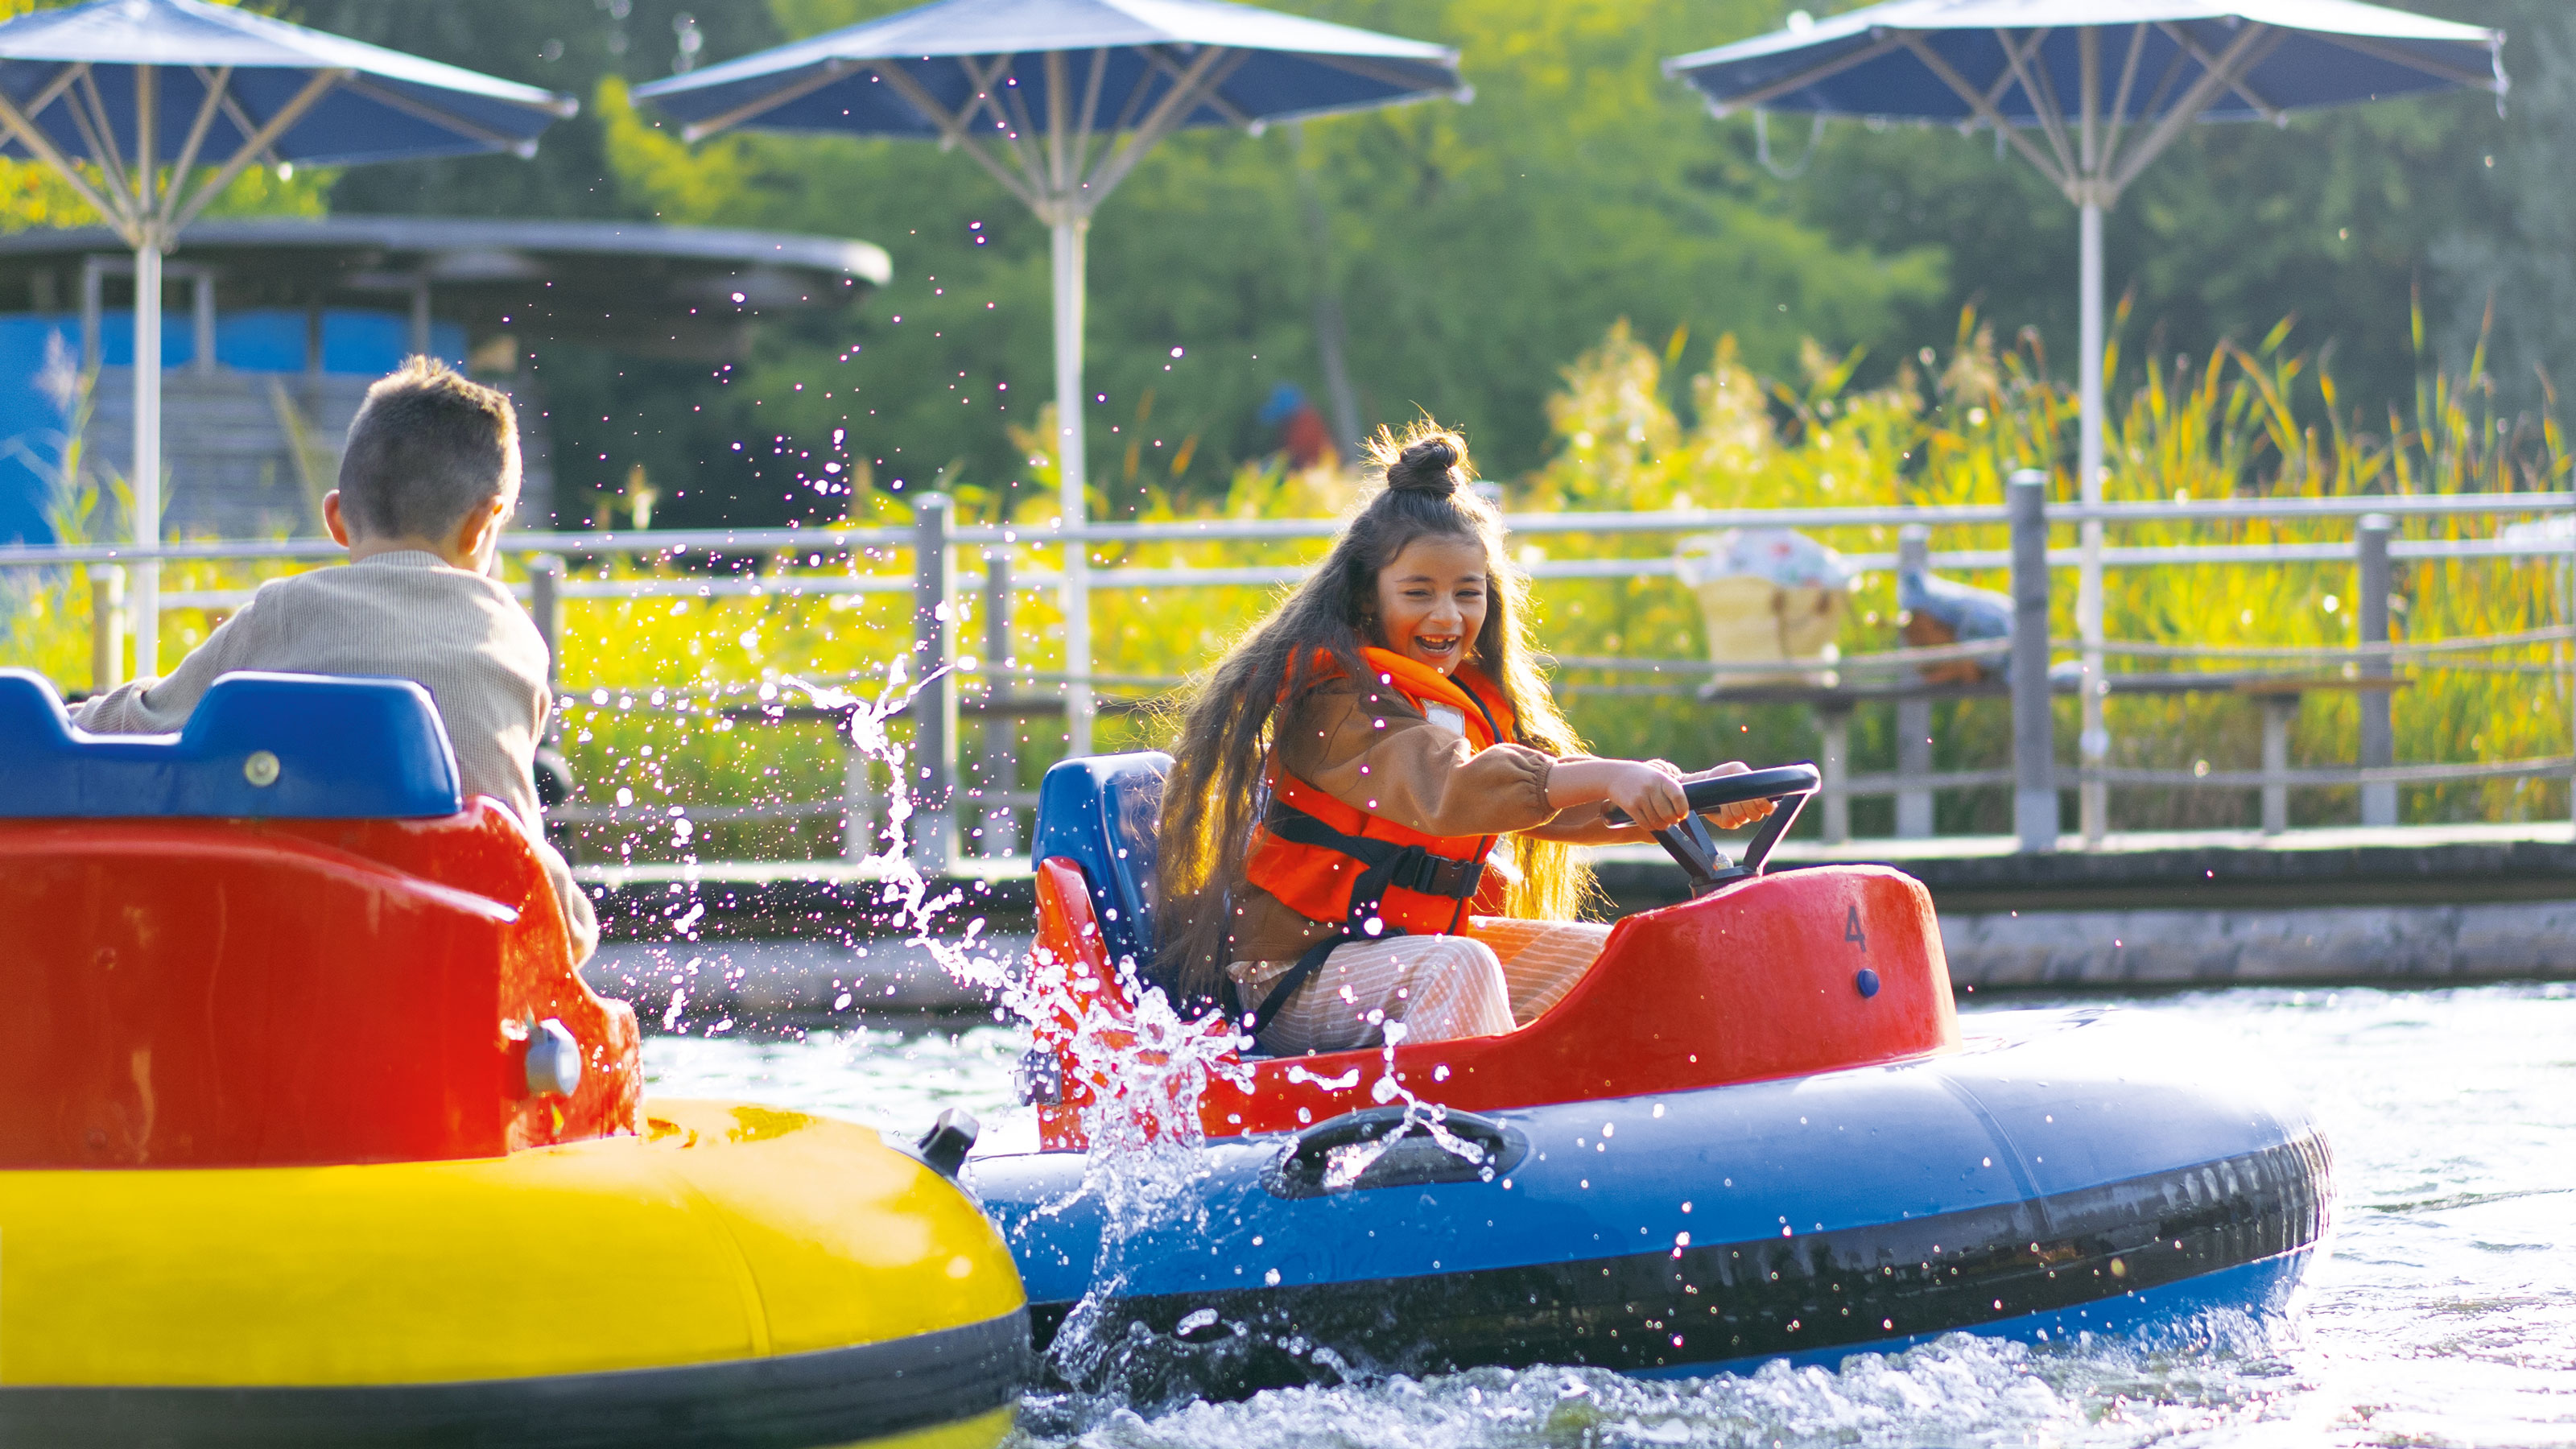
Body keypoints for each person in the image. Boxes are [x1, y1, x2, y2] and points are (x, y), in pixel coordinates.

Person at [1154, 421, 1770, 1055]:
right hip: (1291, 978)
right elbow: (1452, 790)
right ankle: (1455, 1142)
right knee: (1461, 968)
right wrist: (1614, 774)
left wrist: (1683, 793)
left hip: (1401, 954)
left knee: (1618, 957)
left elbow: (1559, 799)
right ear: (1368, 599)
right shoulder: (1335, 708)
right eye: (1418, 593)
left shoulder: (1467, 703)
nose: (1447, 616)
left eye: (1466, 594)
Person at [75, 356, 599, 964]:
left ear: (337, 519)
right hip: (453, 970)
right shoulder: (512, 639)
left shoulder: (283, 612)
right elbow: (517, 852)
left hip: (286, 950)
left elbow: (141, 722)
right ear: (484, 527)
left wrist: (71, 711)